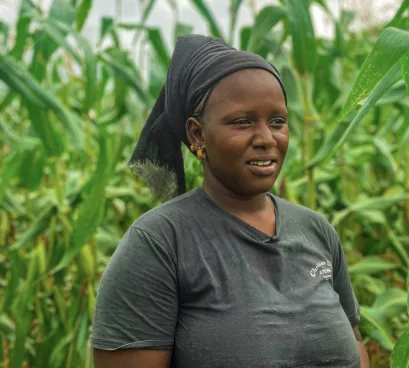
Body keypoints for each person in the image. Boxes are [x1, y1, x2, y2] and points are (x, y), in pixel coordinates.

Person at [91, 34, 369, 368]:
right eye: (242, 122)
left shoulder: (315, 230)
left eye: (277, 121)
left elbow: (354, 347)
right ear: (197, 134)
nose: (267, 139)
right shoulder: (159, 244)